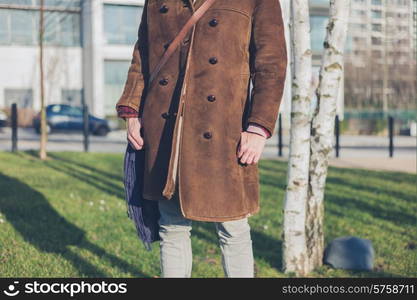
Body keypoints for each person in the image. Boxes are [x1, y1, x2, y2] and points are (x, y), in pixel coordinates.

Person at [115, 0, 287, 278]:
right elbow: (143, 52)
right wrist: (132, 110)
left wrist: (258, 127)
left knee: (232, 227)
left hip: (224, 129)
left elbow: (271, 64)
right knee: (171, 225)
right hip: (166, 127)